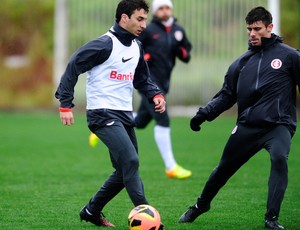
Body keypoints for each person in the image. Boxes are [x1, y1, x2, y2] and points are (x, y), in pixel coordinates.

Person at [178, 6, 300, 229]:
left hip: (278, 125)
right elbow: (226, 96)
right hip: (247, 127)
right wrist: (203, 115)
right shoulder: (240, 64)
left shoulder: (290, 56)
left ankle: (271, 218)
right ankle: (200, 206)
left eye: (257, 29)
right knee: (222, 169)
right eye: (249, 29)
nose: (252, 33)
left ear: (270, 28)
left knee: (279, 159)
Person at [55, 0, 166, 227]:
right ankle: (147, 219)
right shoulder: (104, 44)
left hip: (124, 114)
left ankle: (91, 210)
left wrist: (155, 94)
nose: (144, 24)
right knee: (131, 161)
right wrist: (65, 104)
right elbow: (74, 64)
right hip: (102, 113)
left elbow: (142, 79)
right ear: (124, 18)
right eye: (140, 19)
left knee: (125, 170)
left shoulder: (136, 46)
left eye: (145, 19)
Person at [89, 0, 192, 180]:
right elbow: (131, 48)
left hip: (163, 84)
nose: (165, 11)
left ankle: (105, 124)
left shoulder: (178, 31)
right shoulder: (147, 29)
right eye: (161, 8)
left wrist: (179, 50)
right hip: (148, 83)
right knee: (163, 119)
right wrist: (146, 57)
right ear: (156, 11)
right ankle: (171, 166)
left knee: (142, 121)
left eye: (168, 7)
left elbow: (186, 55)